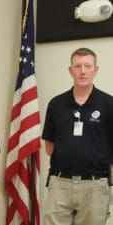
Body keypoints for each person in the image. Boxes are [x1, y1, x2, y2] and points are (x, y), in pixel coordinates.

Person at [42, 47, 113, 225]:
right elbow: (49, 147)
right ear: (70, 70)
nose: (82, 71)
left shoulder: (108, 104)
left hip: (95, 185)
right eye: (78, 66)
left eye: (87, 66)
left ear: (95, 70)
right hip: (60, 183)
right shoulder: (56, 104)